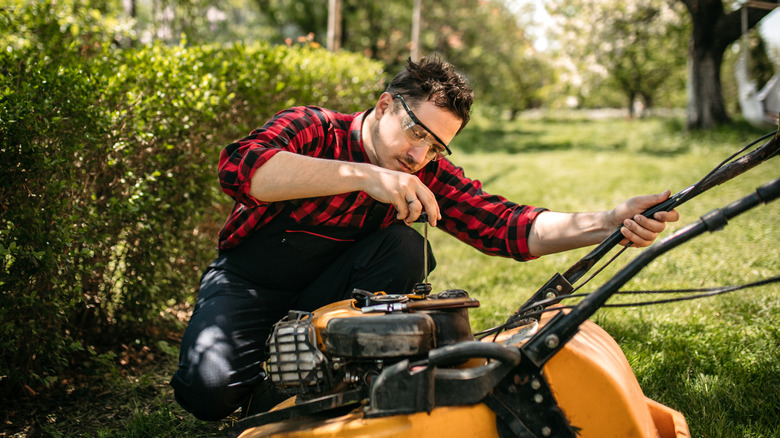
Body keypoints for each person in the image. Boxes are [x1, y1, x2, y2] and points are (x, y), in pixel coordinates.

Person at [170, 56, 679, 421]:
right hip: (250, 281)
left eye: (437, 148)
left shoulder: (424, 171)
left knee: (405, 247)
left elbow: (507, 226)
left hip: (332, 295)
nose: (420, 157)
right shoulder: (315, 128)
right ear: (385, 105)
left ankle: (299, 383)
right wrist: (363, 176)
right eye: (417, 133)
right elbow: (241, 167)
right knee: (208, 396)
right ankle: (270, 367)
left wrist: (609, 220)